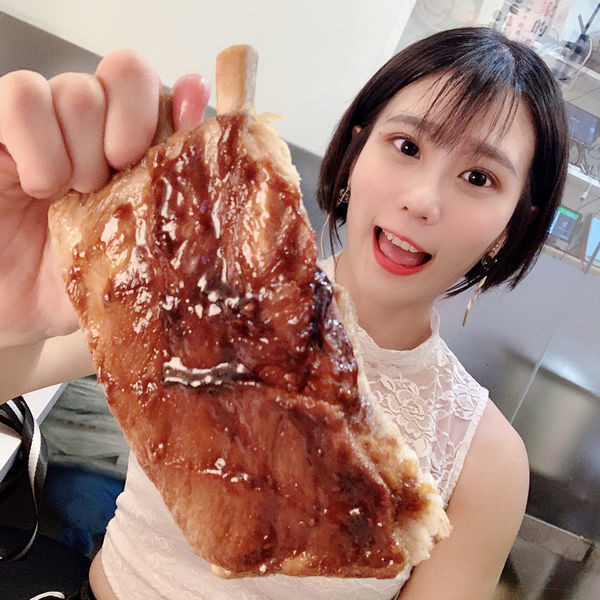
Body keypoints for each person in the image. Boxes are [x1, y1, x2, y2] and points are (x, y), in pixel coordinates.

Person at [0, 26, 568, 600]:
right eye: (407, 146)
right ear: (357, 149)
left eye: (479, 178)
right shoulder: (205, 288)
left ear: (512, 224)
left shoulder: (487, 463)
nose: (423, 200)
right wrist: (11, 303)